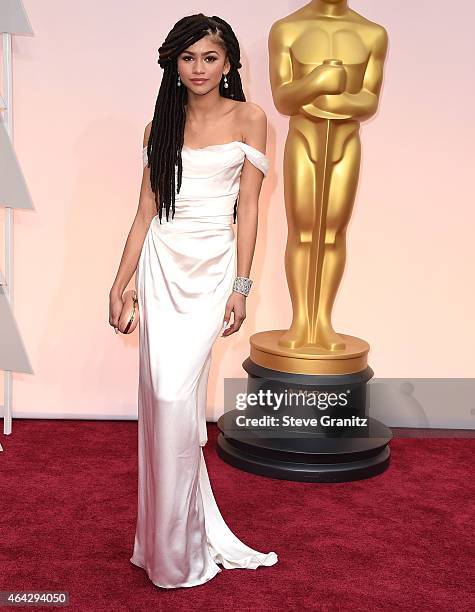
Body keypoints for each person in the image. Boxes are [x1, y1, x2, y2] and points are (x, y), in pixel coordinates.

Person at [108, 13, 278, 589]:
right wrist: (120, 280)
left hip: (211, 271)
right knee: (161, 401)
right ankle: (164, 543)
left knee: (177, 398)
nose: (199, 68)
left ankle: (180, 547)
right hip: (162, 264)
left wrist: (242, 285)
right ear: (173, 64)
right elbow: (144, 212)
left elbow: (249, 210)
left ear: (229, 62)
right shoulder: (163, 121)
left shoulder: (251, 118)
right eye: (188, 58)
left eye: (210, 57)